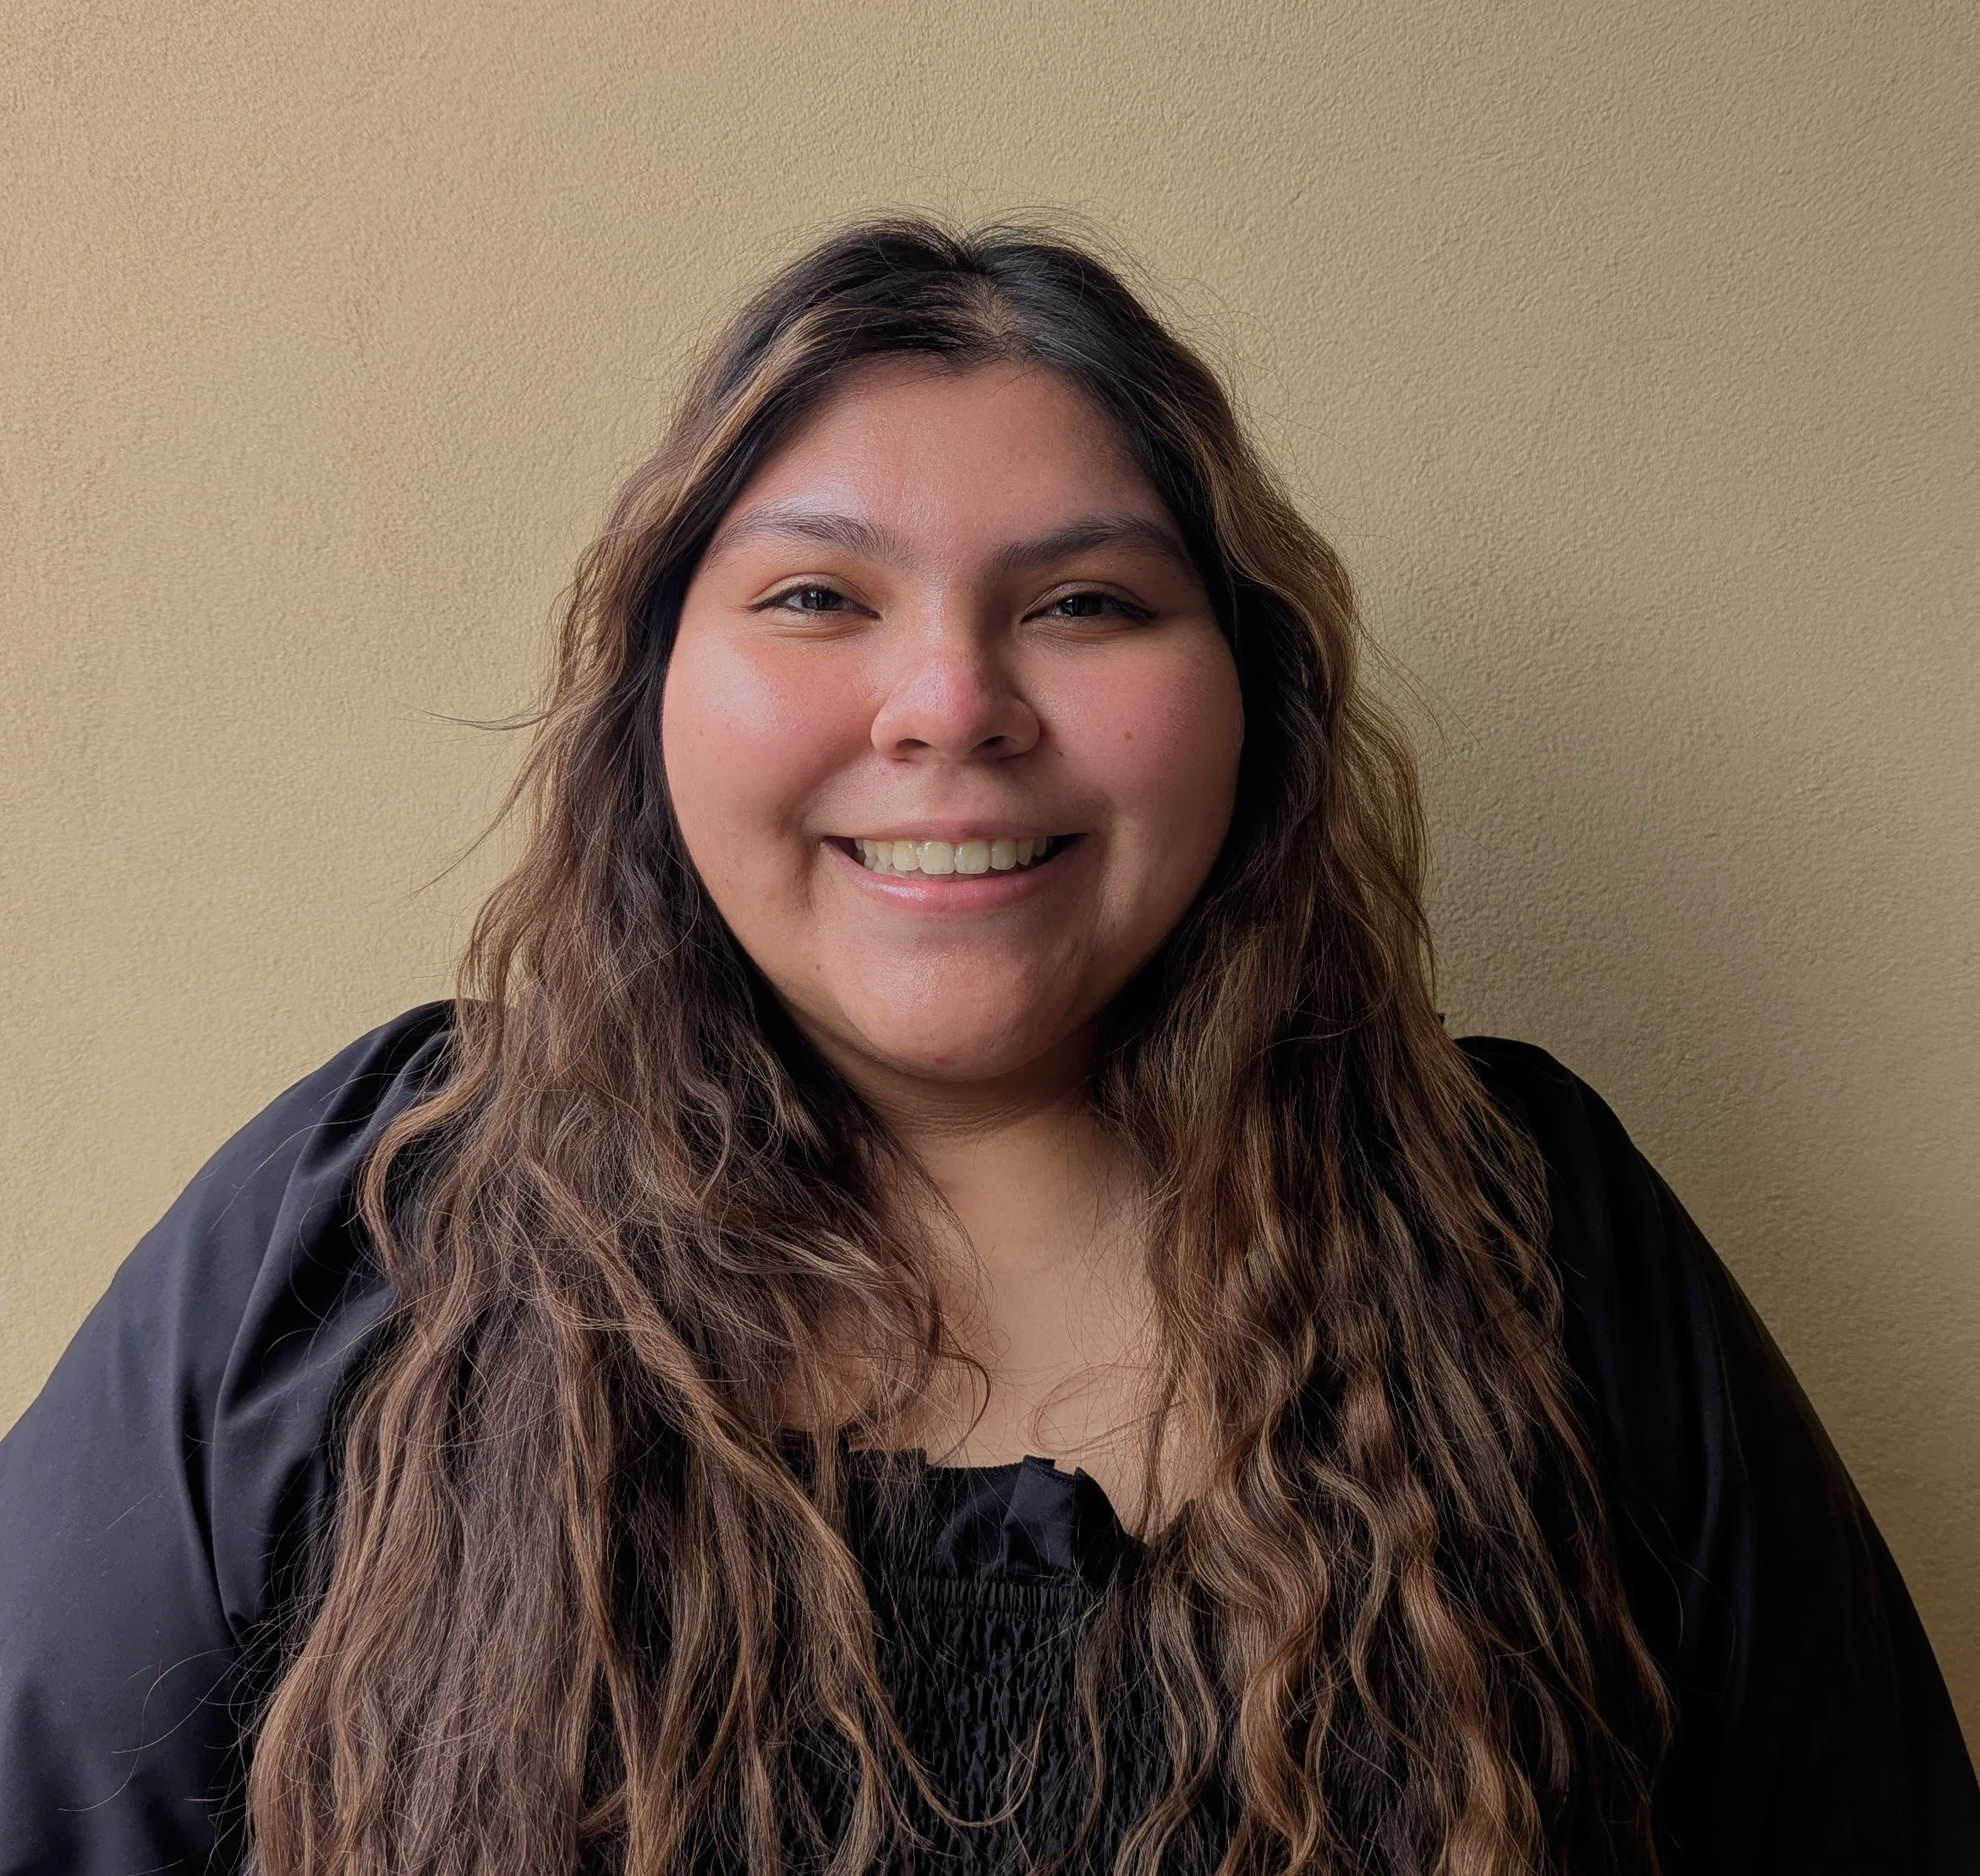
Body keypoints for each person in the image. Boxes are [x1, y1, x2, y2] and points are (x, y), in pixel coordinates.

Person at [1, 217, 1973, 1876]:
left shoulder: (1534, 1243)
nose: (951, 700)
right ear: (652, 696)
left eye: (1088, 601)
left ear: (1251, 708)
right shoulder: (357, 1227)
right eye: (816, 595)